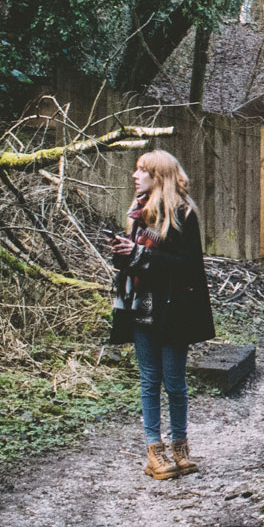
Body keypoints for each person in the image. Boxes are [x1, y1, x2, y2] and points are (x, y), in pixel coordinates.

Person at [108, 149, 216, 481]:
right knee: (149, 382)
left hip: (174, 313)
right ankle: (154, 452)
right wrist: (123, 254)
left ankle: (180, 447)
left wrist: (140, 253)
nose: (134, 175)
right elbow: (130, 265)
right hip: (141, 310)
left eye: (142, 171)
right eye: (137, 170)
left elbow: (188, 266)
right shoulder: (136, 213)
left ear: (159, 178)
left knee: (175, 383)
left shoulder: (183, 214)